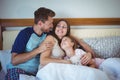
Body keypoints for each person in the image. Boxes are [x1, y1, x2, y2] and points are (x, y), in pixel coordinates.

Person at [5, 7, 55, 80]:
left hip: (35, 75)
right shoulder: (25, 33)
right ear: (40, 23)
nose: (52, 26)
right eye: (50, 23)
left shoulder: (47, 34)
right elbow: (14, 61)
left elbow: (64, 34)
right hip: (18, 70)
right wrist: (39, 50)